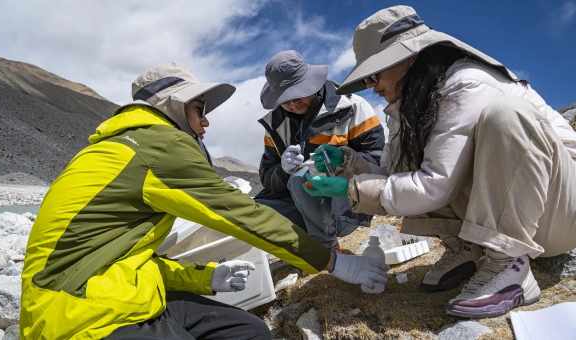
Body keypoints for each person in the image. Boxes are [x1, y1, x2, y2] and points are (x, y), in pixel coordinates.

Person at [19, 63, 388, 339]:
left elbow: (120, 257)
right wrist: (333, 262)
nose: (206, 124)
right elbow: (238, 210)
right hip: (82, 315)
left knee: (251, 332)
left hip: (119, 292)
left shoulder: (123, 147)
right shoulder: (158, 144)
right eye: (200, 110)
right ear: (174, 107)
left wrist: (207, 277)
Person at [304, 5, 576, 318]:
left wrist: (350, 190)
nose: (372, 85)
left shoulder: (468, 83)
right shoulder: (407, 108)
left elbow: (432, 185)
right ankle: (469, 248)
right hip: (529, 211)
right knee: (421, 161)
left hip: (561, 211)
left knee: (506, 116)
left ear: (407, 58)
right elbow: (395, 177)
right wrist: (348, 163)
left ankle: (508, 264)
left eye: (374, 74)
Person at [254, 50, 385, 249]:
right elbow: (267, 179)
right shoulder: (275, 125)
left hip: (346, 200)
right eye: (285, 100)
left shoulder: (352, 106)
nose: (292, 104)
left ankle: (327, 250)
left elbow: (378, 162)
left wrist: (342, 161)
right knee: (256, 209)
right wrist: (282, 170)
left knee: (301, 180)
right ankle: (304, 244)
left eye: (297, 97)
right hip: (301, 205)